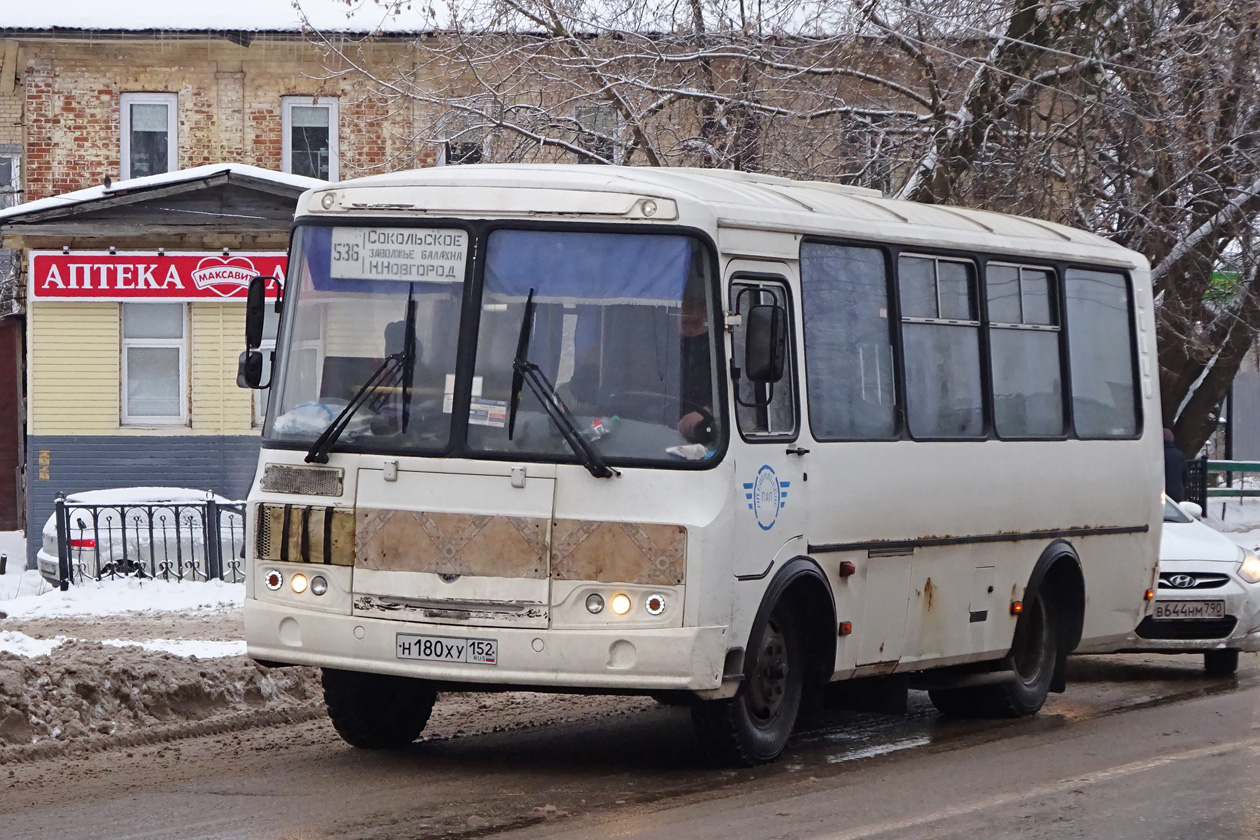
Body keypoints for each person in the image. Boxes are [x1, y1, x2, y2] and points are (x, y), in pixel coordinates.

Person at [677, 293, 715, 443]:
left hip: (704, 428)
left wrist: (707, 411)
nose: (689, 329)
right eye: (684, 323)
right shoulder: (667, 353)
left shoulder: (715, 352)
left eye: (696, 323)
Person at [1164, 428, 1189, 502]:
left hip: (1162, 493)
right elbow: (1185, 475)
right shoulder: (1179, 454)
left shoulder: (1158, 454)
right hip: (1177, 492)